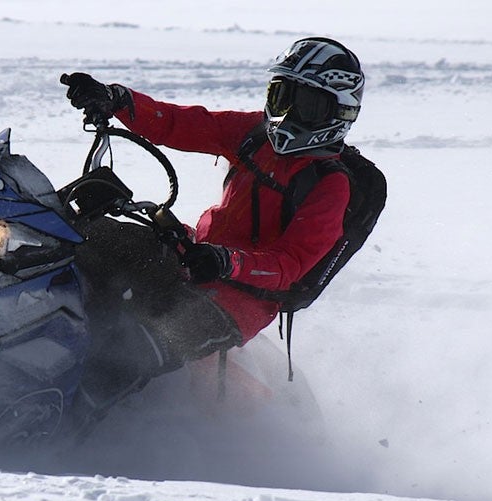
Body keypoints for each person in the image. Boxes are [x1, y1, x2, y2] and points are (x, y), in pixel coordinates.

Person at [62, 37, 365, 417]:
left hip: (239, 301)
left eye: (305, 103)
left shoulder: (329, 184)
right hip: (191, 256)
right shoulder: (255, 134)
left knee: (138, 349)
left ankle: (64, 433)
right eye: (282, 95)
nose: (287, 113)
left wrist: (227, 262)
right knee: (79, 238)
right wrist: (119, 100)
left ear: (338, 112)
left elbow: (290, 264)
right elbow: (182, 124)